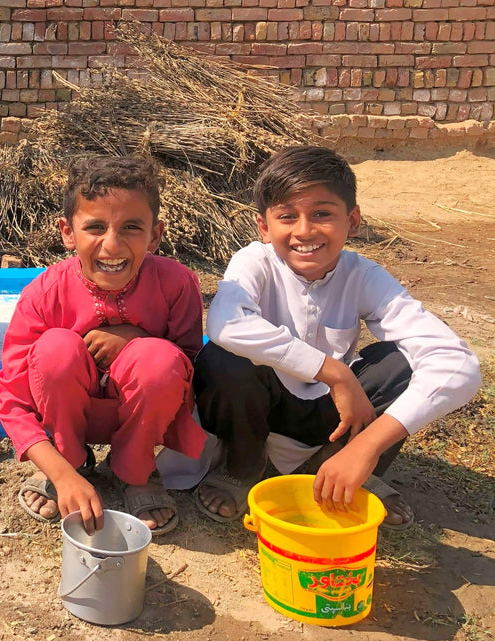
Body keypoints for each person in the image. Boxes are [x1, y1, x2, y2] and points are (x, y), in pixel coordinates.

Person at [194, 145, 480, 527]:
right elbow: (226, 323)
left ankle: (341, 466)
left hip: (334, 418)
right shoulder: (255, 262)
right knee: (224, 358)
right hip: (262, 408)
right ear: (264, 227)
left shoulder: (364, 275)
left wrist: (369, 444)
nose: (304, 230)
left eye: (322, 214)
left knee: (402, 365)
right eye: (287, 217)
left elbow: (459, 364)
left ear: (353, 220)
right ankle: (242, 466)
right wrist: (334, 371)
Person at [0, 155, 206, 536]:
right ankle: (71, 464)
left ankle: (136, 471)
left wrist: (137, 340)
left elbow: (190, 366)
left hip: (143, 416)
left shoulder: (177, 285)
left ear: (155, 235)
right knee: (55, 349)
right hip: (68, 414)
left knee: (160, 361)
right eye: (94, 227)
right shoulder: (44, 293)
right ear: (67, 232)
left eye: (131, 227)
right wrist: (59, 472)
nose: (112, 244)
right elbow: (12, 396)